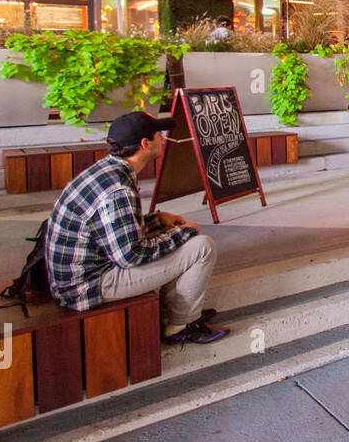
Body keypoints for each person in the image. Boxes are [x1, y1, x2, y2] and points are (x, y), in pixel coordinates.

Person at [45, 111, 226, 345]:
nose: (163, 138)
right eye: (158, 135)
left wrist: (157, 221)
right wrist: (185, 233)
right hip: (88, 286)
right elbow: (130, 255)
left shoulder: (106, 170)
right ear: (145, 144)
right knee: (202, 247)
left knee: (173, 238)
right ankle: (180, 325)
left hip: (78, 277)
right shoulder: (119, 189)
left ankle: (174, 309)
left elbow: (115, 229)